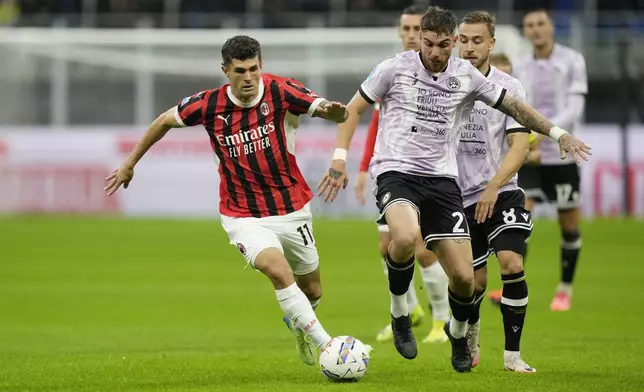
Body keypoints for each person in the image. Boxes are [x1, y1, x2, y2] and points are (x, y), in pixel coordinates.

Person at [317, 6, 590, 373]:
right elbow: (353, 109)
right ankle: (400, 313)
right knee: (405, 235)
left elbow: (515, 107)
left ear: (452, 42)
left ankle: (459, 333)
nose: (433, 52)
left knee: (464, 279)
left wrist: (558, 133)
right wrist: (339, 159)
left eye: (442, 45)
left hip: (445, 182)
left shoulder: (466, 76)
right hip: (397, 172)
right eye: (427, 44)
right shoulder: (394, 68)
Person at [104, 35, 355, 367]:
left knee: (313, 291)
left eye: (253, 69)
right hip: (243, 214)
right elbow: (163, 121)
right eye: (240, 71)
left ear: (261, 66)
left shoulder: (282, 91)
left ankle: (298, 326)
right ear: (225, 71)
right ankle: (328, 347)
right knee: (277, 270)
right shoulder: (208, 105)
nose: (248, 77)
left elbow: (325, 108)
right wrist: (129, 164)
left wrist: (331, 112)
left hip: (292, 207)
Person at [353, 4, 450, 345]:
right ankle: (409, 309)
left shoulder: (447, 72)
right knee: (388, 244)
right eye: (406, 30)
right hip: (393, 171)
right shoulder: (392, 70)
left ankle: (442, 319)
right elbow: (377, 124)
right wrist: (364, 168)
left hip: (433, 173)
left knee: (421, 248)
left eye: (415, 30)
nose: (411, 35)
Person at [456, 11, 535, 373]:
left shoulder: (510, 88)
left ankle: (512, 356)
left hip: (501, 190)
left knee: (512, 263)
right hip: (455, 196)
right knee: (472, 282)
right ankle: (467, 331)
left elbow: (519, 147)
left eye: (477, 40)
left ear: (491, 43)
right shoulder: (441, 84)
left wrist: (493, 185)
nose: (469, 47)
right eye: (464, 40)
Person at [514, 8, 588, 312]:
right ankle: (514, 284)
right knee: (520, 220)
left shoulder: (572, 60)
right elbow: (517, 107)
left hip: (561, 154)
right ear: (525, 30)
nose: (535, 29)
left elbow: (575, 107)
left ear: (551, 27)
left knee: (567, 223)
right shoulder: (520, 65)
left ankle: (564, 289)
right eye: (529, 25)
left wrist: (548, 134)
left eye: (540, 23)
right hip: (529, 155)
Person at [484, 53, 543, 305]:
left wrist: (530, 152)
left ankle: (506, 286)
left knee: (515, 239)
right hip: (469, 187)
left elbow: (529, 141)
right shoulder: (469, 101)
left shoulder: (517, 104)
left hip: (508, 184)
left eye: (507, 73)